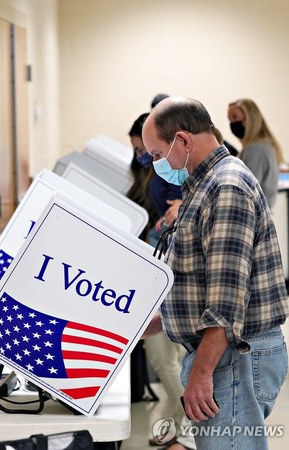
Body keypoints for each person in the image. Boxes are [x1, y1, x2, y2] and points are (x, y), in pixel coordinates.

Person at [142, 96, 289, 450]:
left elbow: (225, 303)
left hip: (233, 357)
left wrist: (201, 374)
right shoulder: (202, 185)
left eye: (158, 155)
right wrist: (147, 324)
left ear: (184, 140)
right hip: (224, 354)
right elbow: (200, 284)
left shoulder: (225, 187)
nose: (156, 164)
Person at [128, 113, 193, 447]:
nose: (147, 159)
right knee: (168, 357)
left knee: (163, 357)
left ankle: (190, 428)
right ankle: (184, 426)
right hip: (159, 260)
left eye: (151, 152)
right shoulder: (163, 171)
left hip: (168, 268)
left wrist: (179, 208)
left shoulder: (195, 178)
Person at [228, 98, 284, 209]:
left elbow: (245, 191)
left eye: (235, 117)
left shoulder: (255, 150)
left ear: (250, 118)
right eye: (229, 119)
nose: (232, 123)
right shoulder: (264, 145)